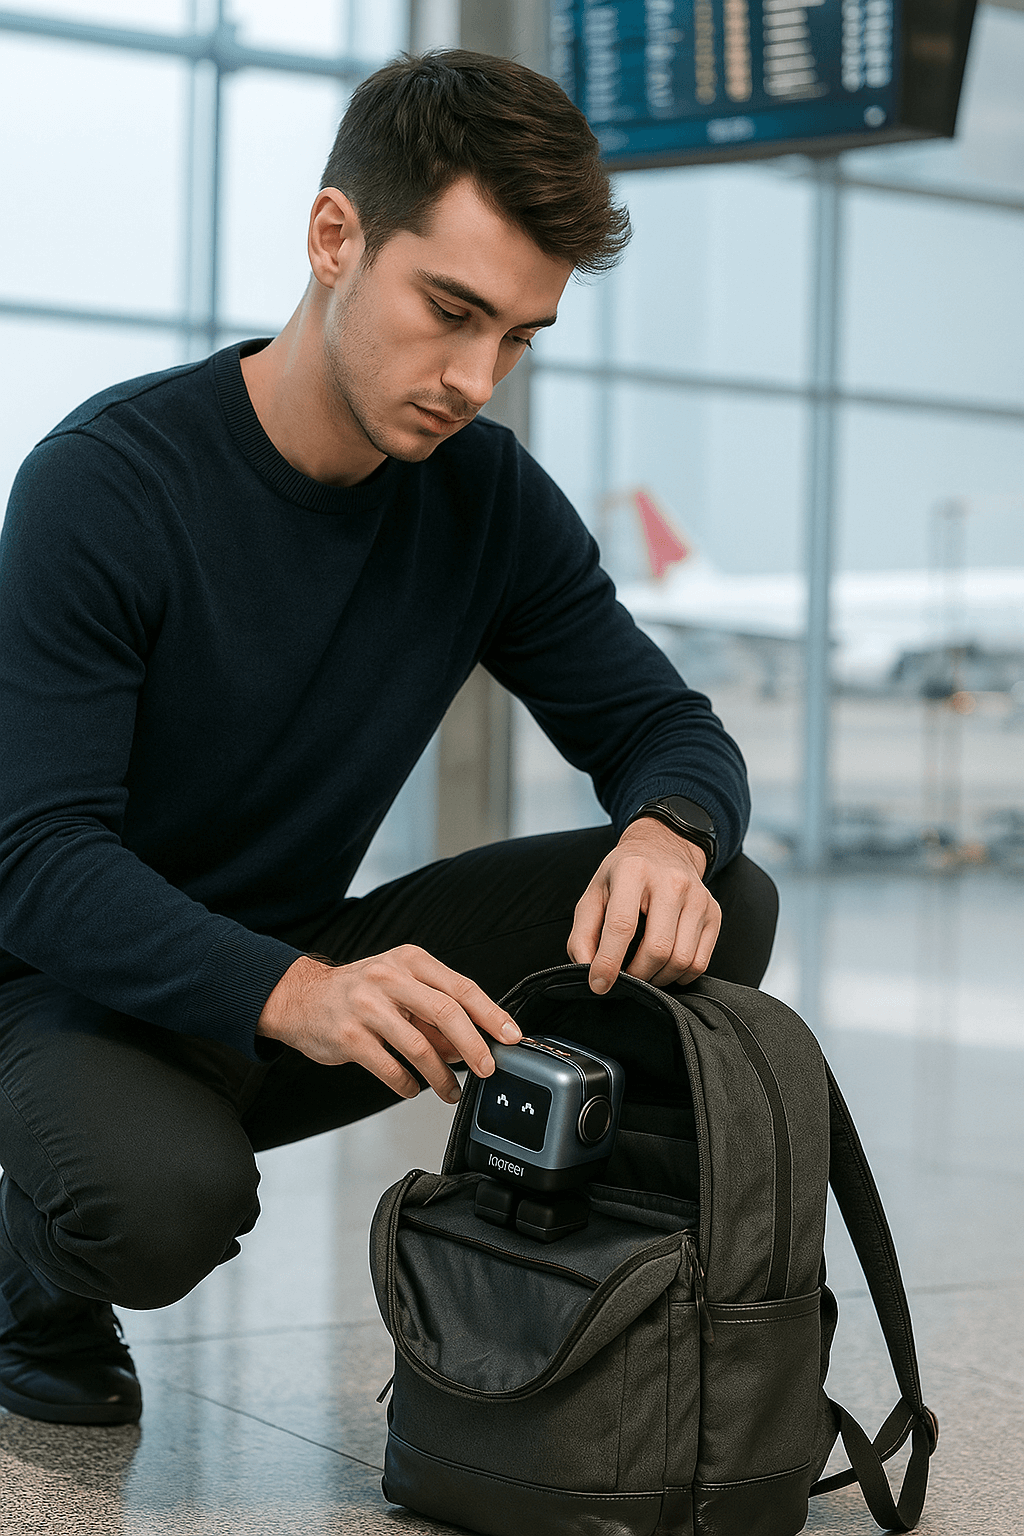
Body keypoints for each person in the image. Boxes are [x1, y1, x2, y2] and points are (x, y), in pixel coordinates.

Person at [0, 50, 776, 1428]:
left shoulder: (485, 501)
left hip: (305, 960)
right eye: (451, 311)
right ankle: (24, 1280)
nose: (475, 379)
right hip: (67, 988)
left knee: (714, 895)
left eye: (519, 336)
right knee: (160, 1207)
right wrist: (295, 991)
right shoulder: (106, 485)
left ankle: (548, 1267)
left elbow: (664, 725)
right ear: (334, 237)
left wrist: (672, 831)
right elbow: (36, 859)